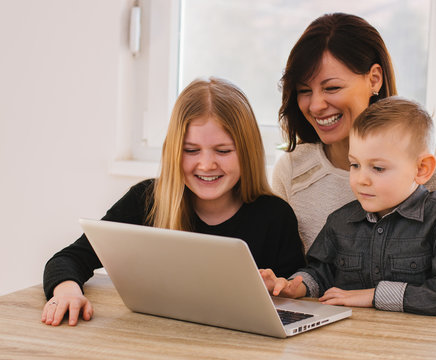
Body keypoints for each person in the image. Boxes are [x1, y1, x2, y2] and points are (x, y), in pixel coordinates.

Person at [272, 13, 436, 314]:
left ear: (374, 79)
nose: (316, 105)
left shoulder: (430, 168)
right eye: (305, 91)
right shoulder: (294, 173)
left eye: (331, 88)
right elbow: (315, 274)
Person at [42, 77, 306, 326]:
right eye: (190, 150)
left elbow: (302, 292)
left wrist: (282, 288)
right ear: (173, 151)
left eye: (223, 151)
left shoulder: (275, 216)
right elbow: (68, 259)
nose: (206, 164)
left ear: (247, 152)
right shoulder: (145, 201)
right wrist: (67, 291)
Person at [261, 96, 436, 316]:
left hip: (418, 344)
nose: (361, 179)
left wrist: (372, 295)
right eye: (355, 165)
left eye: (378, 168)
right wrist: (292, 287)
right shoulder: (340, 221)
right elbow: (320, 272)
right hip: (352, 339)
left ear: (422, 169)